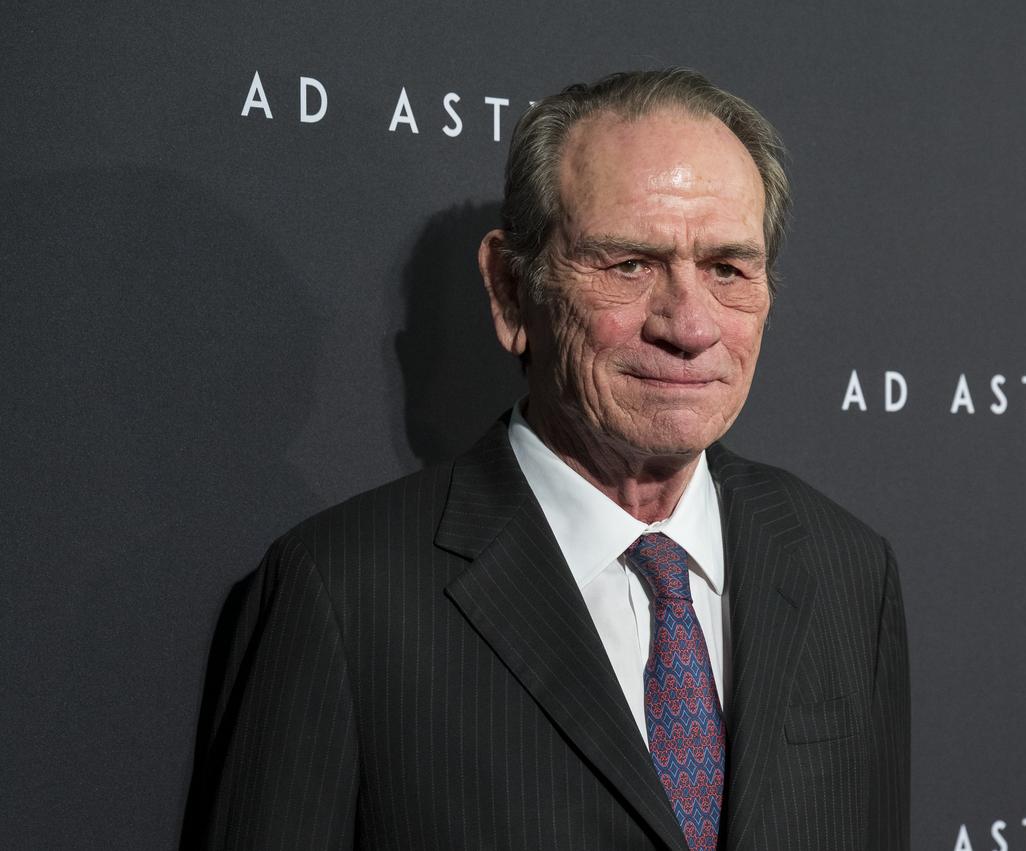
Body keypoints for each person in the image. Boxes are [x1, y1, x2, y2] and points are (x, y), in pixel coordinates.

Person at [183, 68, 909, 851]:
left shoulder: (847, 569)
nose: (691, 326)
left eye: (727, 268)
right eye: (630, 265)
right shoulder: (345, 594)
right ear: (509, 291)